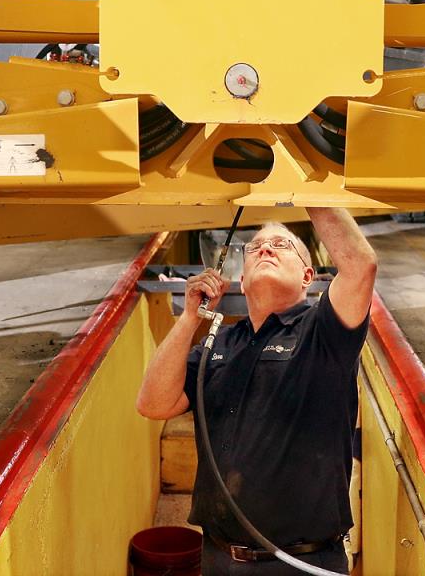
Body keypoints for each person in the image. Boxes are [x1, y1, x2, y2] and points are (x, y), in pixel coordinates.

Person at [136, 207, 378, 575]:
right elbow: (153, 404)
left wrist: (307, 186)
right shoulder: (220, 343)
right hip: (220, 557)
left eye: (280, 245)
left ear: (308, 277)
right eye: (255, 248)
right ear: (242, 280)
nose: (265, 249)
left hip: (302, 562)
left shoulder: (323, 333)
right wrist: (189, 320)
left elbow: (361, 265)